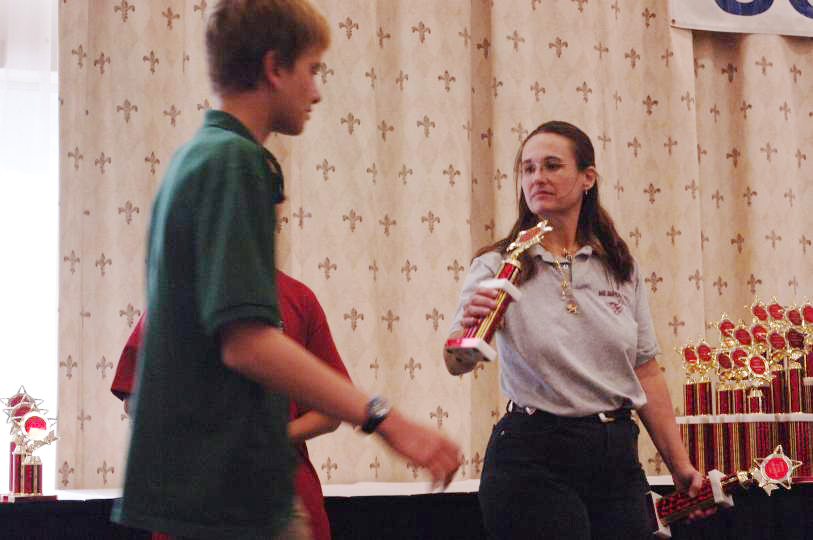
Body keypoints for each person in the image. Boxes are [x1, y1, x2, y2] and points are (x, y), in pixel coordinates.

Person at [111, 1, 460, 539]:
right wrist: (385, 418)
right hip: (233, 500)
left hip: (212, 493)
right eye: (312, 69)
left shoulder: (196, 157)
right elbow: (247, 344)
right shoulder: (235, 161)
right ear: (274, 67)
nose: (317, 92)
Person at [444, 121, 709, 540]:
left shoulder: (620, 266)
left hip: (615, 458)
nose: (537, 177)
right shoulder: (497, 264)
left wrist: (681, 467)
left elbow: (645, 371)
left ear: (588, 178)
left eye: (552, 166)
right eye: (528, 168)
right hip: (532, 458)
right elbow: (456, 363)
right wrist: (468, 335)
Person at [111, 270, 351, 540]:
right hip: (195, 498)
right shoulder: (175, 296)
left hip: (278, 495)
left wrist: (267, 438)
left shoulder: (299, 298)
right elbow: (136, 400)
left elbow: (332, 410)